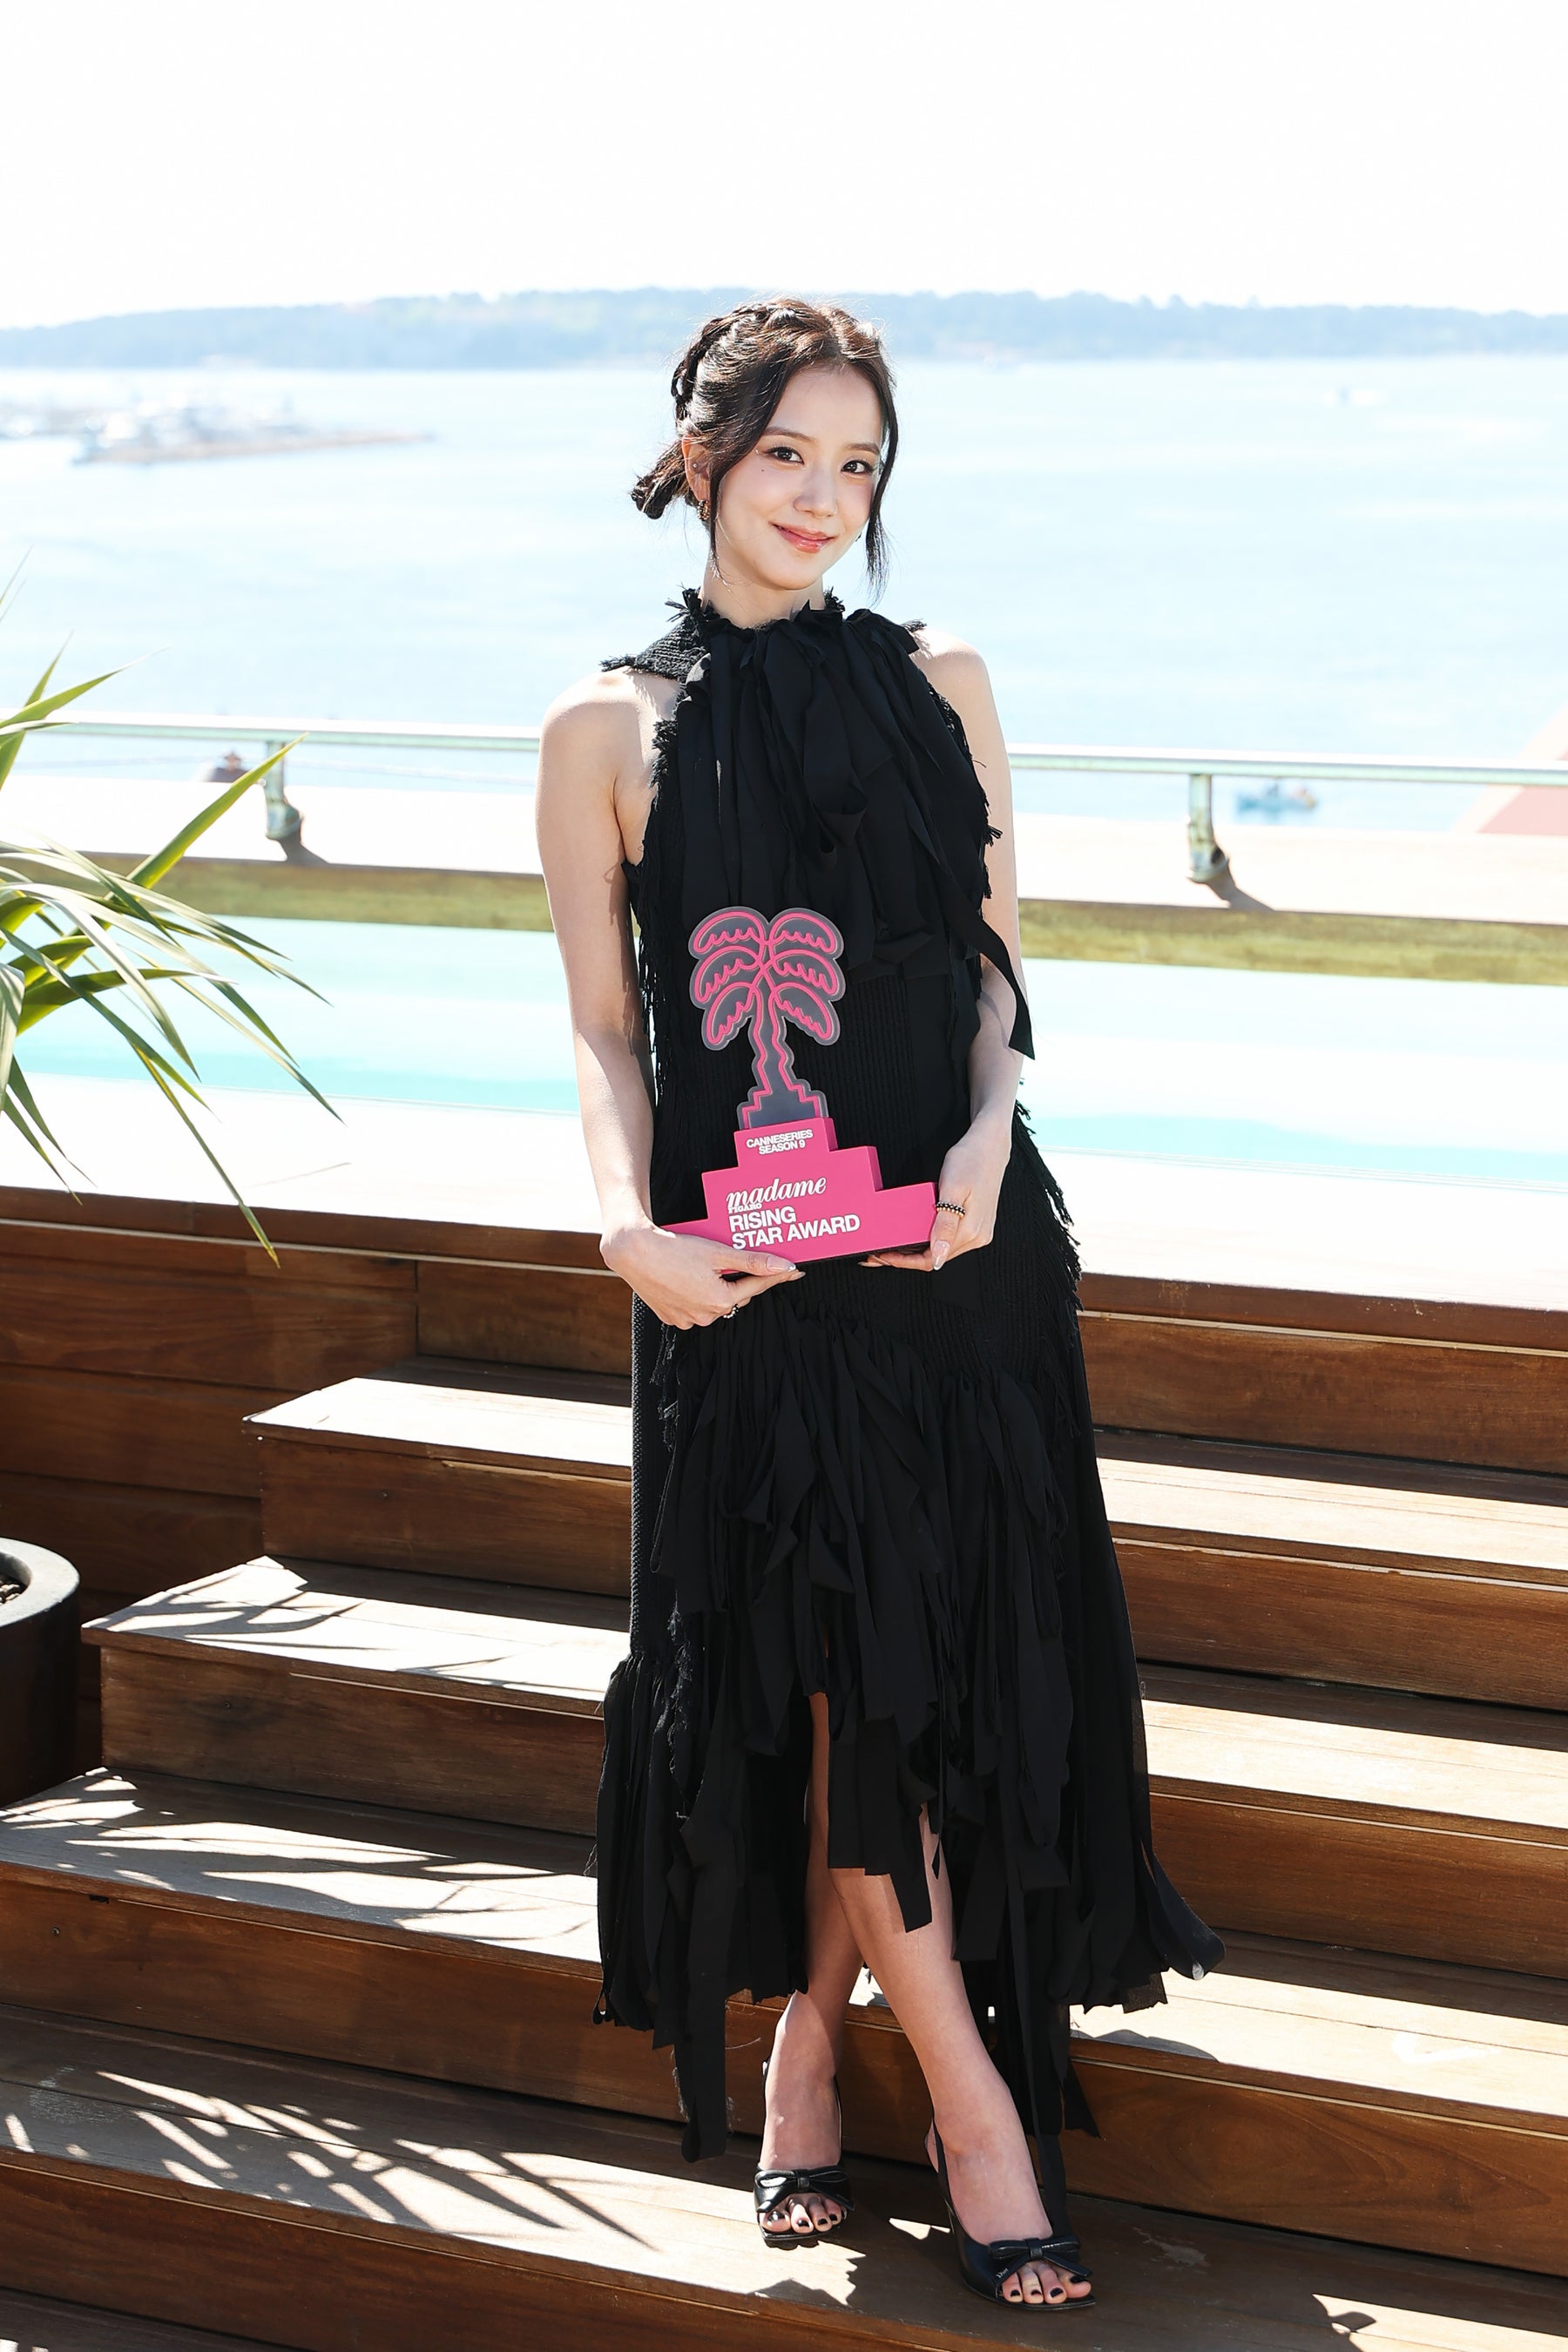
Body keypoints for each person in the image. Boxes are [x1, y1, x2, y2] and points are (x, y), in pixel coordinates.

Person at [536, 296, 1220, 2313]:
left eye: (860, 465)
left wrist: (996, 1139)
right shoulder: (603, 729)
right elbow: (605, 1032)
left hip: (962, 1256)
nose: (825, 499)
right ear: (700, 458)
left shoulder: (945, 680)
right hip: (746, 1283)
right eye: (787, 458)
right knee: (833, 1664)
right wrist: (624, 1227)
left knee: (909, 1678)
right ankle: (976, 2111)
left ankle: (811, 2052)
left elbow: (996, 971)